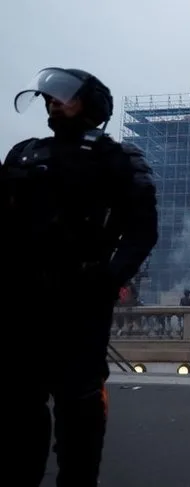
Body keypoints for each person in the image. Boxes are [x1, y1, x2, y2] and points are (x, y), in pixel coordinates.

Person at [1, 67, 158, 486]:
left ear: (90, 105)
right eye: (49, 97)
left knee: (80, 405)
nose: (53, 102)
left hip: (80, 299)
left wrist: (109, 279)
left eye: (64, 96)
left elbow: (142, 231)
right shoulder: (24, 153)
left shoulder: (118, 159)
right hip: (22, 300)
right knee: (20, 406)